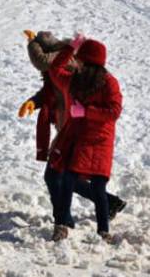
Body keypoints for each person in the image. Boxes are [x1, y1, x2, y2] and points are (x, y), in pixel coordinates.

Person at [20, 30, 126, 222]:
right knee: (59, 176)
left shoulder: (72, 64)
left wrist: (32, 43)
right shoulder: (73, 66)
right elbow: (50, 90)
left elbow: (43, 62)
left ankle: (65, 218)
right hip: (68, 127)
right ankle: (102, 204)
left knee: (57, 176)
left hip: (80, 131)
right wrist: (33, 102)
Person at [43, 36, 123, 243]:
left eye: (79, 59)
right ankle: (61, 224)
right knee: (63, 178)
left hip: (98, 140)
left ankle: (103, 231)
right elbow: (55, 69)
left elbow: (114, 111)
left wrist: (86, 111)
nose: (76, 62)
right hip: (75, 136)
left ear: (89, 63)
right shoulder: (75, 80)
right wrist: (70, 47)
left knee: (96, 186)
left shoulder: (109, 83)